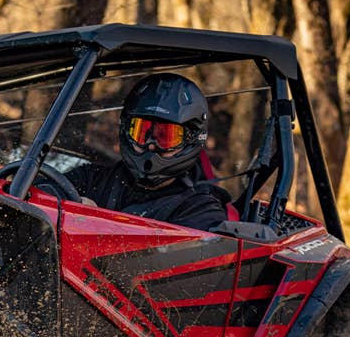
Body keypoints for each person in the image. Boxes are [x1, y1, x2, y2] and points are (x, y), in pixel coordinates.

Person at [66, 73, 231, 230]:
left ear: (191, 140)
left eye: (166, 137)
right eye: (142, 132)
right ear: (126, 130)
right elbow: (51, 192)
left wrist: (96, 222)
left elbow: (187, 247)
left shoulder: (199, 209)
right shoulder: (91, 179)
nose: (151, 146)